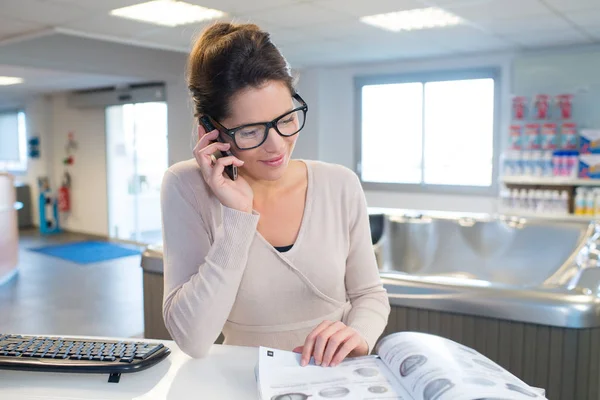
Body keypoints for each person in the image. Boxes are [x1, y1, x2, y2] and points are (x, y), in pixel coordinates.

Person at [161, 22, 390, 368]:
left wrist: (358, 334)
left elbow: (369, 295)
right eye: (251, 131)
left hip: (334, 383)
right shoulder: (186, 187)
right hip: (242, 383)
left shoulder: (339, 184)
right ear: (210, 131)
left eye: (286, 119)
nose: (277, 145)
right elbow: (192, 339)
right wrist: (237, 216)